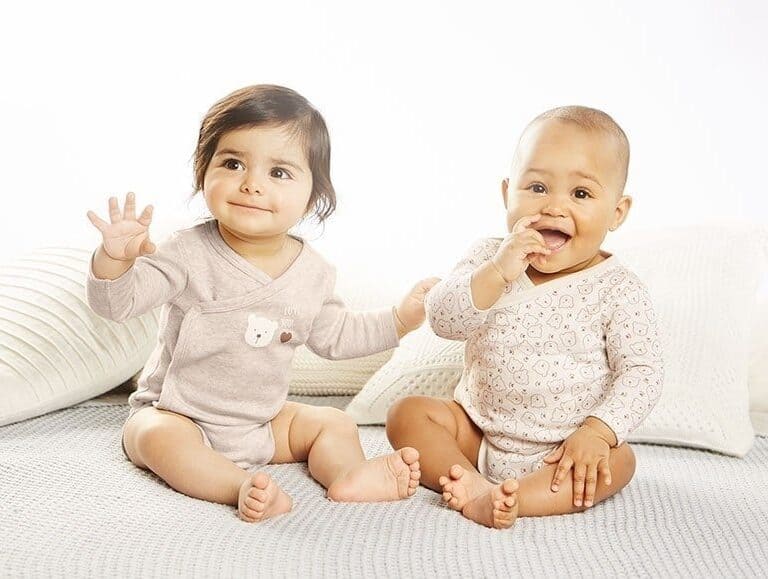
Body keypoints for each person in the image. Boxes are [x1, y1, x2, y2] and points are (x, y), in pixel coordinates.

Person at [86, 85, 436, 522]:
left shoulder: (313, 273)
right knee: (151, 438)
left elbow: (336, 337)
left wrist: (401, 318)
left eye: (279, 173)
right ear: (202, 173)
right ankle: (239, 486)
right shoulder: (186, 252)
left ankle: (349, 475)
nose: (251, 184)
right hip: (180, 416)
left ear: (314, 195)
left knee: (334, 423)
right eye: (233, 163)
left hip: (262, 424)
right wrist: (114, 262)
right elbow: (118, 305)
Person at [386, 106, 664, 529]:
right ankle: (473, 483)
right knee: (407, 413)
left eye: (581, 194)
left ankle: (517, 500)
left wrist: (598, 431)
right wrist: (497, 272)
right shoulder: (487, 257)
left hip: (565, 448)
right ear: (506, 194)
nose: (553, 207)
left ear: (617, 212)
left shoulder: (618, 290)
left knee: (620, 461)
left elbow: (642, 372)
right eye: (536, 187)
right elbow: (444, 319)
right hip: (478, 432)